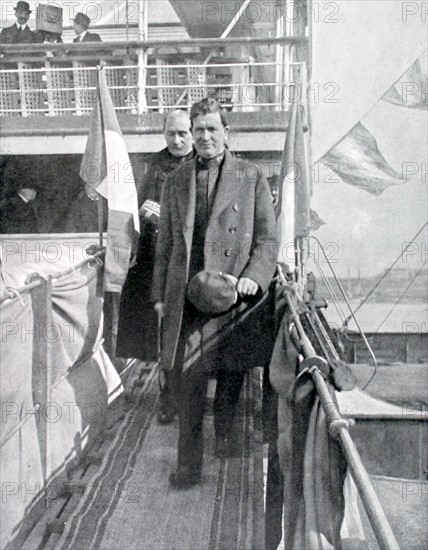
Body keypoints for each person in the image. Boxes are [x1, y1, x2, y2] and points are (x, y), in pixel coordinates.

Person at [152, 98, 277, 487]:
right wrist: (159, 295)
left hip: (231, 297)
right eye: (198, 129)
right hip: (188, 298)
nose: (204, 137)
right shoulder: (175, 180)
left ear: (227, 132)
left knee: (230, 375)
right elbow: (168, 246)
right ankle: (188, 467)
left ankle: (225, 438)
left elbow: (267, 240)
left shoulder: (251, 175)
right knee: (189, 382)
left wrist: (254, 276)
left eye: (212, 129)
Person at [116, 110, 195, 423]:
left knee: (190, 333)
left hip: (192, 262)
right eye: (171, 133)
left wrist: (168, 219)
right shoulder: (152, 164)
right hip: (157, 262)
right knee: (162, 333)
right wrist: (143, 212)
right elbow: (136, 203)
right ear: (163, 132)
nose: (176, 140)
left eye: (182, 134)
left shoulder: (201, 164)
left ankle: (192, 396)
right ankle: (167, 398)